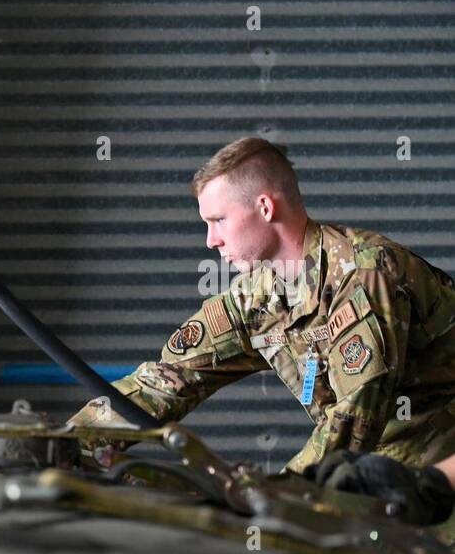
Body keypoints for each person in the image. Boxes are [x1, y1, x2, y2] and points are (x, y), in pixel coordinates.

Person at [69, 137, 455, 476]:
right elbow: (167, 381)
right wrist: (68, 443)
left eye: (218, 220)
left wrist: (273, 495)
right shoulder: (256, 297)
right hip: (377, 476)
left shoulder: (364, 273)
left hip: (438, 473)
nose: (210, 241)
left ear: (266, 208)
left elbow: (353, 423)